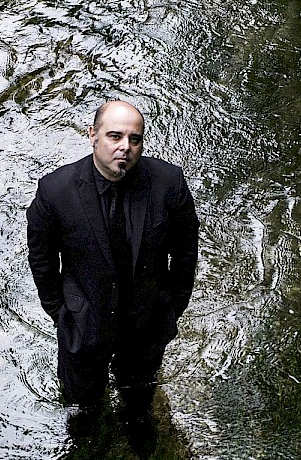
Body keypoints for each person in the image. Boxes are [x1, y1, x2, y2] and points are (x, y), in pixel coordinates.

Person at [26, 100, 199, 431]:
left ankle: (139, 428)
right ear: (92, 135)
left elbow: (185, 250)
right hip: (83, 322)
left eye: (134, 139)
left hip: (147, 322)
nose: (125, 147)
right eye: (115, 136)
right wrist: (60, 313)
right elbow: (42, 258)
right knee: (82, 408)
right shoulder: (56, 191)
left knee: (139, 398)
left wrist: (173, 307)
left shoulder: (168, 182)